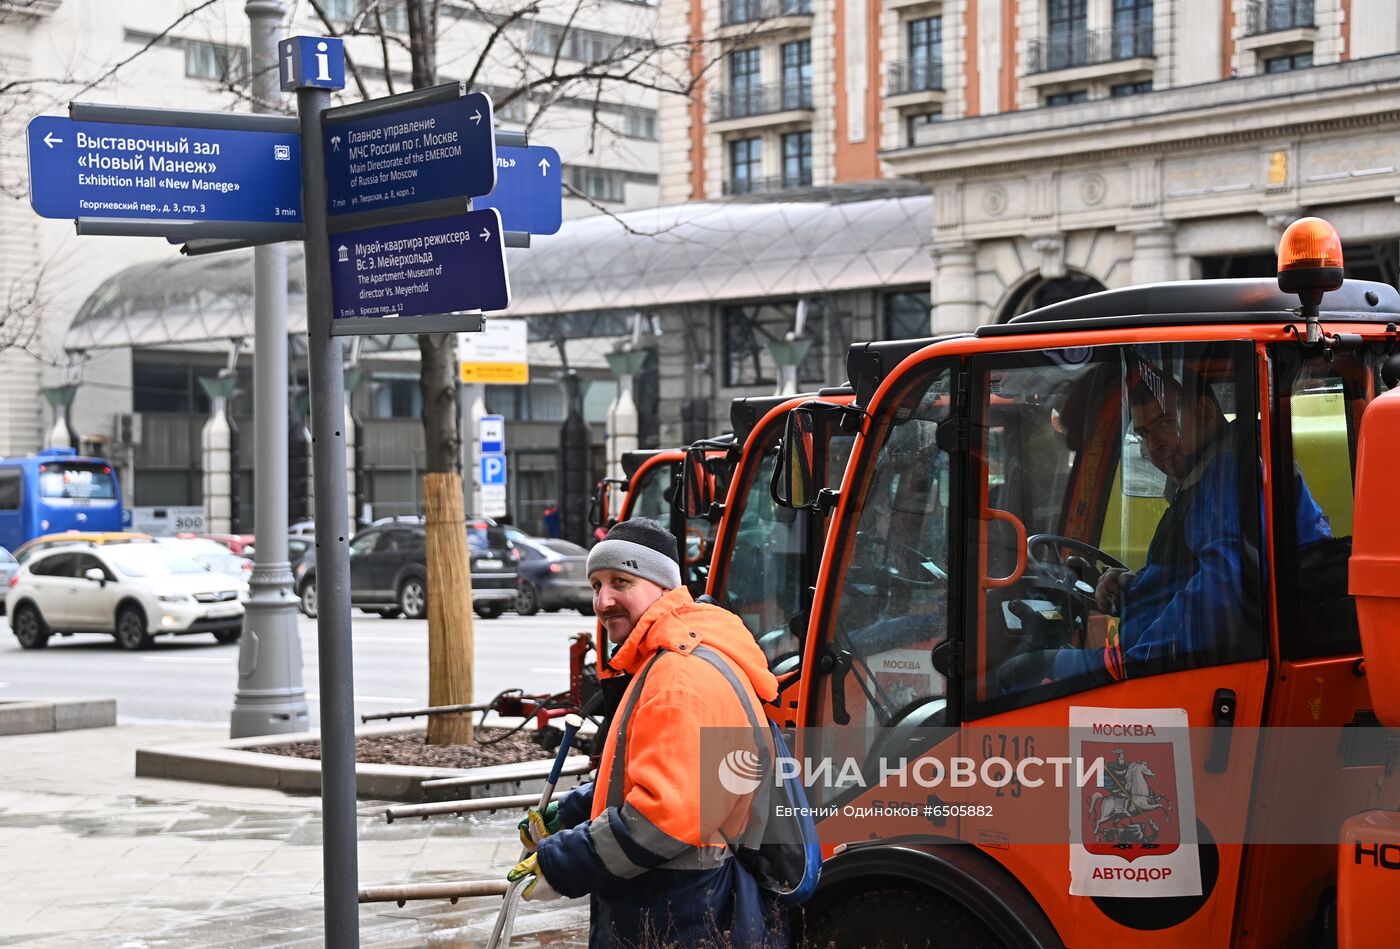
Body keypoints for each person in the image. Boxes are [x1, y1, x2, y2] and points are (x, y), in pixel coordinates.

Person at [505, 517, 784, 948]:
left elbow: (664, 820)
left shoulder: (678, 677)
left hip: (675, 911)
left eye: (621, 581)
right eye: (597, 585)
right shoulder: (678, 657)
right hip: (685, 902)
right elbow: (665, 771)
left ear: (663, 587)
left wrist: (561, 863)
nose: (603, 601)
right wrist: (576, 810)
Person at [1011, 366, 1331, 687]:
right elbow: (1195, 575)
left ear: (1205, 412)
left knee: (1016, 674)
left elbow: (1218, 596)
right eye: (1144, 434)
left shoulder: (1227, 473)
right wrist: (1130, 588)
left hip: (1182, 674)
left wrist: (1132, 665)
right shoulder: (1213, 471)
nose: (1155, 446)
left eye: (1165, 423)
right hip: (1174, 663)